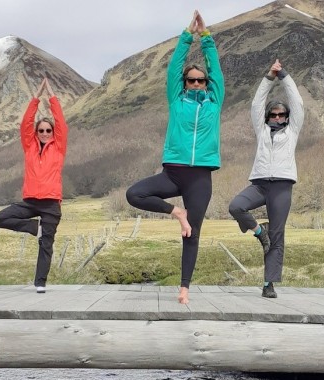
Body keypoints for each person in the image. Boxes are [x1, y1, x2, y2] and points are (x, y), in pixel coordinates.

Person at [126, 10, 224, 305]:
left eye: (200, 81)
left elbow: (215, 69)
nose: (196, 84)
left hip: (200, 177)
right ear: (185, 83)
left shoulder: (214, 102)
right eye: (191, 80)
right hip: (172, 173)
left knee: (191, 233)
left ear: (207, 83)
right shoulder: (176, 99)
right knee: (134, 194)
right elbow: (173, 69)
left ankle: (184, 288)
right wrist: (186, 36)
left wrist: (205, 37)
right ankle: (175, 213)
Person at [228, 59, 304, 299]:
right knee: (236, 206)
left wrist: (284, 76)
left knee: (278, 236)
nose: (278, 117)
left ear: (287, 117)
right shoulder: (261, 130)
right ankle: (260, 232)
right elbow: (256, 103)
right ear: (269, 115)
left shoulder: (292, 132)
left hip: (282, 187)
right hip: (260, 184)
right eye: (274, 114)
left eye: (282, 115)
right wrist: (269, 77)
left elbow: (298, 101)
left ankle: (268, 284)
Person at [0, 75, 67, 293]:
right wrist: (35, 98)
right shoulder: (30, 146)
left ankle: (40, 283)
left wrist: (51, 96)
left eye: (47, 130)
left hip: (51, 204)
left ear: (53, 133)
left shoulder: (59, 147)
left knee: (46, 245)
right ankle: (35, 227)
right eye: (40, 130)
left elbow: (61, 122)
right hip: (31, 202)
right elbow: (25, 124)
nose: (44, 133)